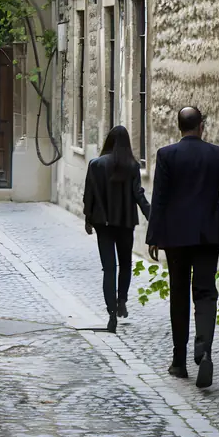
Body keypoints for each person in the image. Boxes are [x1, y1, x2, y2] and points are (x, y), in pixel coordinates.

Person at [146, 106, 219, 389]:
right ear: (201, 126)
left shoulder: (166, 155)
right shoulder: (218, 155)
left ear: (179, 127)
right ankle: (205, 349)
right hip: (208, 235)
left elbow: (159, 198)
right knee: (205, 291)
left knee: (179, 294)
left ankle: (179, 361)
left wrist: (153, 237)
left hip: (175, 237)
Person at [83, 125, 151, 333]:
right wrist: (152, 216)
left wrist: (88, 218)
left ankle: (111, 313)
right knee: (125, 265)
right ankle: (122, 300)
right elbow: (138, 194)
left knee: (109, 269)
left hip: (103, 223)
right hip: (125, 223)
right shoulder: (131, 166)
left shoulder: (95, 165)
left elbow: (89, 195)